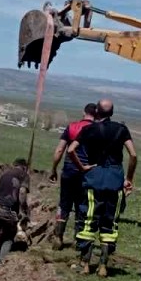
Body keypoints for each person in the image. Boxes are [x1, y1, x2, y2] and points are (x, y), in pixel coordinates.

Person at [67, 99, 137, 277]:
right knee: (110, 222)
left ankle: (85, 264)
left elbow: (70, 150)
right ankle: (103, 266)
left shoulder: (88, 129)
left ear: (97, 112)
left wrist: (82, 167)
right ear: (112, 113)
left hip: (93, 178)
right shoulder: (121, 129)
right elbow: (133, 155)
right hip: (115, 181)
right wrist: (128, 178)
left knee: (89, 220)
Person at [49, 103, 97, 249]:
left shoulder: (71, 127)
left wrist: (53, 169)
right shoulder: (97, 130)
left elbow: (59, 150)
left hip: (69, 171)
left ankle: (58, 236)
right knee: (82, 205)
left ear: (84, 112)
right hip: (87, 173)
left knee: (64, 204)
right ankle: (78, 239)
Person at [0, 159, 30, 271]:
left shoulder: (5, 174)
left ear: (14, 165)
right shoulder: (24, 175)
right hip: (6, 209)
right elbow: (22, 193)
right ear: (24, 167)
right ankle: (0, 267)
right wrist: (23, 211)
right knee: (8, 237)